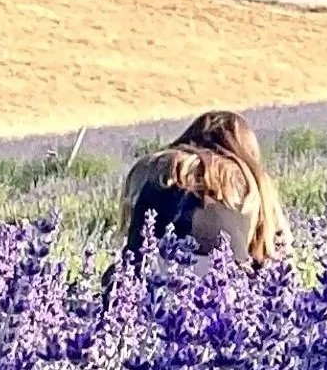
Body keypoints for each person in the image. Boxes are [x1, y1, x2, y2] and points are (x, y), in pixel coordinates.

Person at [118, 110, 290, 270]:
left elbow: (133, 255)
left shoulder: (158, 166)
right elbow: (281, 255)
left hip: (159, 277)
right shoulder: (255, 181)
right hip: (231, 286)